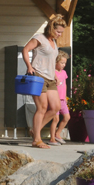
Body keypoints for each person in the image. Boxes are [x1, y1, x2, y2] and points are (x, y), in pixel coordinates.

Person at [22, 14, 67, 149]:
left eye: (61, 32)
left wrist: (54, 74)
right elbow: (25, 49)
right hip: (38, 76)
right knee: (42, 107)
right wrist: (29, 66)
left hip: (50, 78)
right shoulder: (39, 38)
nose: (60, 34)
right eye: (58, 31)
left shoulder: (54, 42)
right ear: (51, 28)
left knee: (55, 108)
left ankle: (34, 130)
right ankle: (37, 140)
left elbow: (51, 60)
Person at [49, 50, 71, 145]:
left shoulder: (64, 72)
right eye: (61, 62)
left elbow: (65, 84)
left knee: (67, 117)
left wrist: (65, 96)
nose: (63, 65)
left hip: (62, 99)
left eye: (65, 63)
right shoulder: (52, 72)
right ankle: (52, 138)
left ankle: (58, 134)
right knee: (56, 119)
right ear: (56, 62)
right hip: (54, 99)